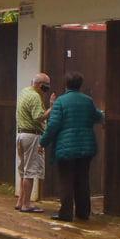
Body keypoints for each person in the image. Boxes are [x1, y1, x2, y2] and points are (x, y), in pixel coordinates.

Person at [38, 72, 103, 222]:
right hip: (86, 148)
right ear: (80, 85)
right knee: (83, 180)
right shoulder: (88, 101)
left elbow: (53, 125)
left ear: (66, 84)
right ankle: (83, 212)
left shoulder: (61, 102)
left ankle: (66, 214)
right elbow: (98, 116)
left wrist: (43, 142)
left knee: (66, 181)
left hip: (66, 147)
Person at [14, 73, 51, 212]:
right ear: (40, 85)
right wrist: (52, 108)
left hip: (21, 134)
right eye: (45, 87)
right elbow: (38, 117)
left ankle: (20, 201)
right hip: (32, 136)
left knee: (23, 170)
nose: (45, 90)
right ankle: (26, 204)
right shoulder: (35, 96)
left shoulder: (24, 92)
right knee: (30, 172)